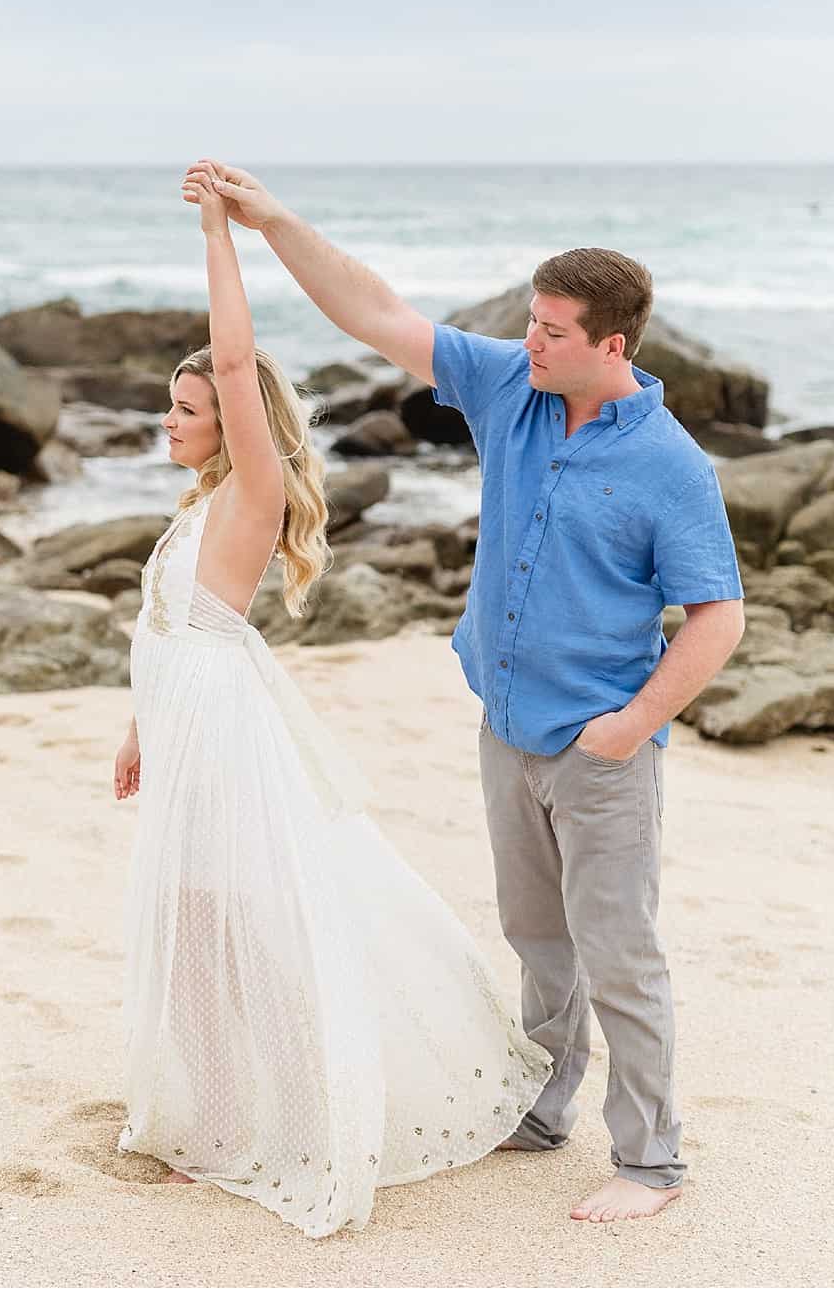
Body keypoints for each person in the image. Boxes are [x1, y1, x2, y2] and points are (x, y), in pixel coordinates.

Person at [179, 158, 746, 1224]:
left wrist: (631, 724)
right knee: (537, 939)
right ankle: (542, 1109)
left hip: (600, 748)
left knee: (618, 951)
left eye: (551, 331)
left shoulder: (671, 465)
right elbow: (374, 309)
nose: (528, 341)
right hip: (505, 728)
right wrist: (269, 220)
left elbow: (719, 618)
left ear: (610, 346)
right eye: (529, 322)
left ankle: (651, 1161)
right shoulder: (509, 388)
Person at [112, 171, 553, 1239]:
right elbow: (163, 629)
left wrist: (221, 232)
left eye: (185, 407)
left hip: (226, 726)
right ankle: (214, 1128)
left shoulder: (251, 490)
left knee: (254, 926)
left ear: (234, 421)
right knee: (192, 924)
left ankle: (313, 1114)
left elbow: (231, 354)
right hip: (183, 718)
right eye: (169, 407)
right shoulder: (199, 504)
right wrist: (136, 729)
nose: (167, 421)